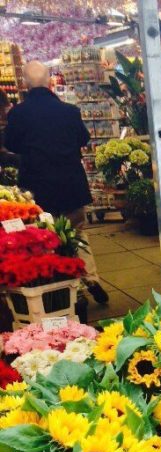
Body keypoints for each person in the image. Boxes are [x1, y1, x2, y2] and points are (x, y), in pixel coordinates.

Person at [4, 60, 108, 304]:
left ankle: (66, 288)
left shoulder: (18, 113)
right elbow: (83, 138)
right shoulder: (69, 111)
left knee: (43, 238)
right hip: (71, 184)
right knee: (77, 233)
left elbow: (11, 145)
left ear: (25, 83)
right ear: (50, 80)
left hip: (38, 189)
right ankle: (90, 277)